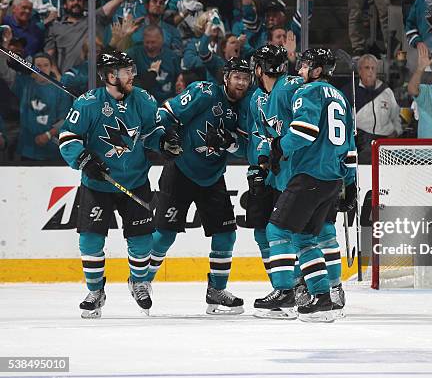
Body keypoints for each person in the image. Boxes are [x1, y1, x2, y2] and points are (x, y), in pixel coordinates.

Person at [58, 48, 182, 318]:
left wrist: (164, 142)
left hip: (135, 180)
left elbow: (153, 131)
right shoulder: (88, 103)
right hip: (99, 184)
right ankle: (95, 291)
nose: (132, 75)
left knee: (141, 240)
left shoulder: (143, 99)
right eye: (127, 71)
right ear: (111, 75)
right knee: (90, 240)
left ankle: (138, 282)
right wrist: (84, 160)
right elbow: (68, 138)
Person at [254, 48, 355, 322]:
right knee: (306, 237)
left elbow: (303, 131)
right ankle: (323, 298)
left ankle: (284, 291)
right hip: (333, 179)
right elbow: (351, 147)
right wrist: (351, 183)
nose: (299, 71)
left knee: (277, 229)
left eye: (305, 66)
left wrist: (278, 147)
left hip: (310, 175)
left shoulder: (309, 92)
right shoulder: (342, 99)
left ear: (318, 70)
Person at [149, 57, 250, 315]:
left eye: (246, 78)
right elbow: (165, 113)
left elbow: (246, 148)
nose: (242, 82)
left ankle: (216, 290)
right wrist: (167, 136)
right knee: (164, 234)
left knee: (226, 234)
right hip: (180, 170)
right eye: (237, 77)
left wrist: (229, 142)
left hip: (212, 176)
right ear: (226, 77)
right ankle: (141, 280)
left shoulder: (246, 106)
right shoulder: (204, 92)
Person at [246, 44, 304, 319]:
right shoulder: (260, 97)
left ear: (259, 68)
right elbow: (261, 133)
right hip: (278, 174)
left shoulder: (287, 87)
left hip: (299, 172)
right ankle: (292, 288)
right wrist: (261, 161)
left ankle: (295, 290)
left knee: (290, 232)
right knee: (267, 231)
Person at [0, 31, 72, 161]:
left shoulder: (60, 89)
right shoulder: (23, 83)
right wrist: (4, 45)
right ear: (32, 67)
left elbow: (65, 119)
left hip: (52, 150)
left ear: (51, 68)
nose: (42, 69)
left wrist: (49, 135)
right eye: (38, 65)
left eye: (46, 65)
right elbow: (4, 70)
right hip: (26, 149)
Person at [347, 54, 402, 161]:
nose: (371, 71)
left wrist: (396, 131)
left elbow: (396, 117)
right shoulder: (351, 91)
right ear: (360, 71)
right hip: (362, 144)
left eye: (373, 68)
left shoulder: (386, 91)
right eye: (367, 68)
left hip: (386, 144)